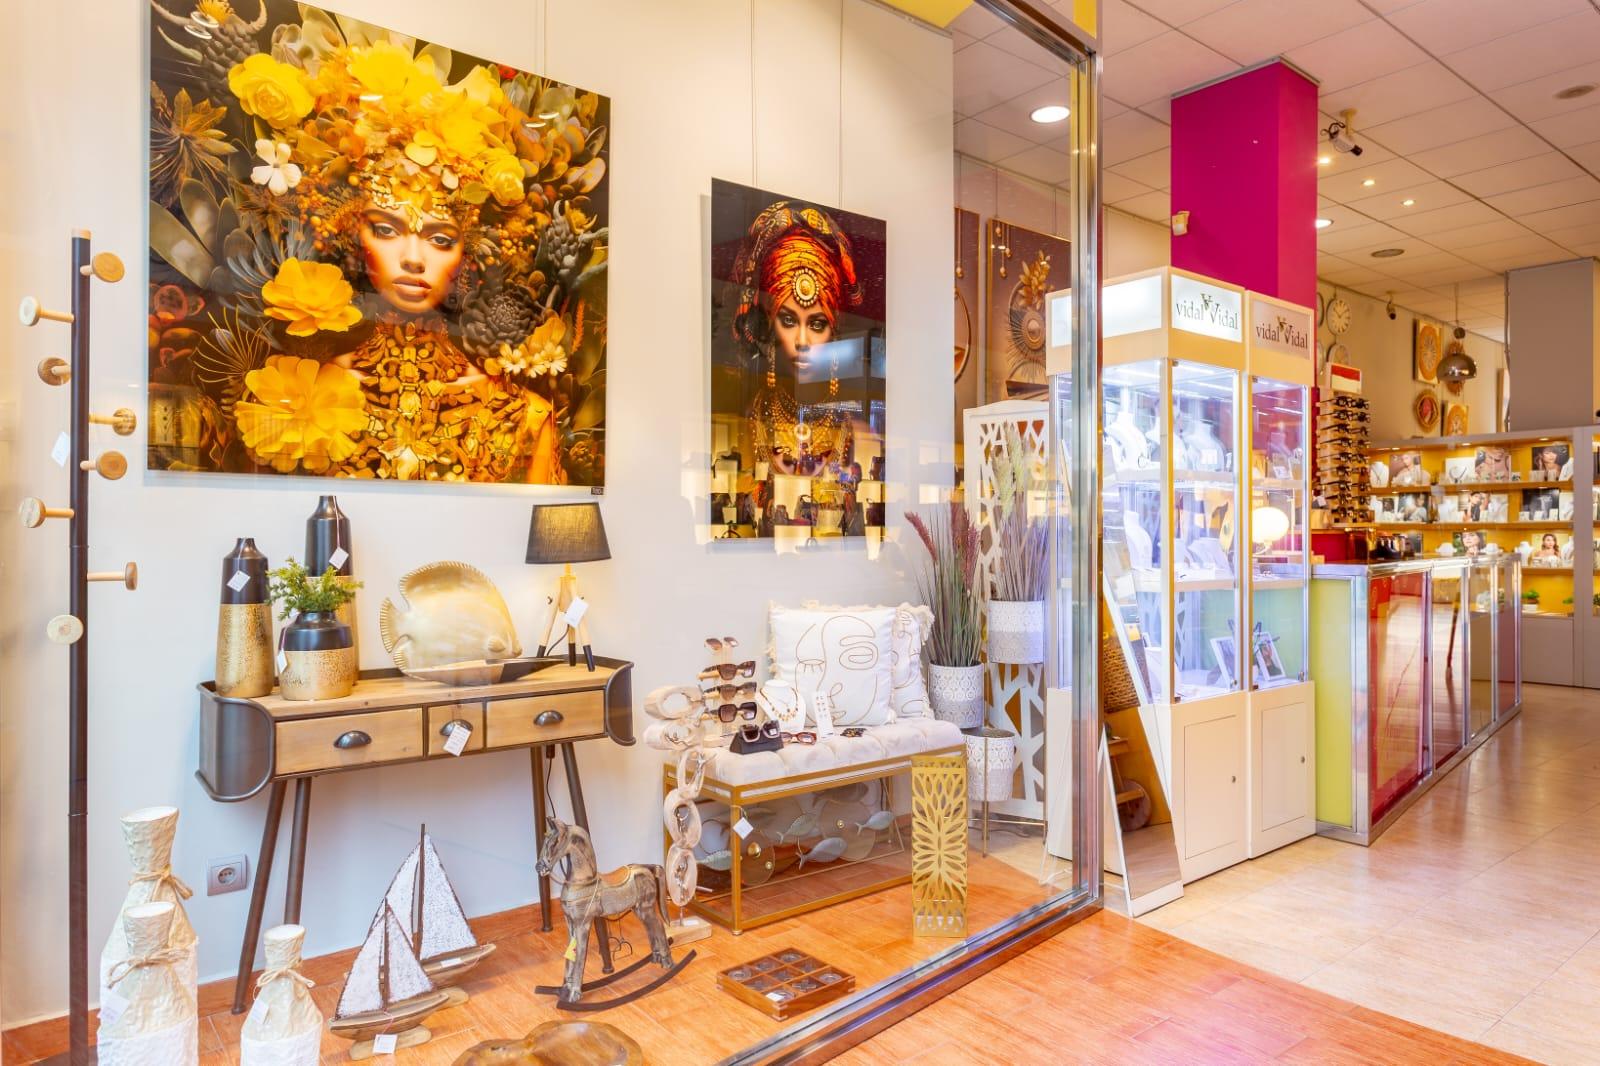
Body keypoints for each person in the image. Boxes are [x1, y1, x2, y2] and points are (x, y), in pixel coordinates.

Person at [195, 32, 607, 483]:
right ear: (355, 242)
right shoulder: (292, 398)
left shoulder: (520, 415)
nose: (413, 258)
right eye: (388, 231)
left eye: (439, 238)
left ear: (465, 256)